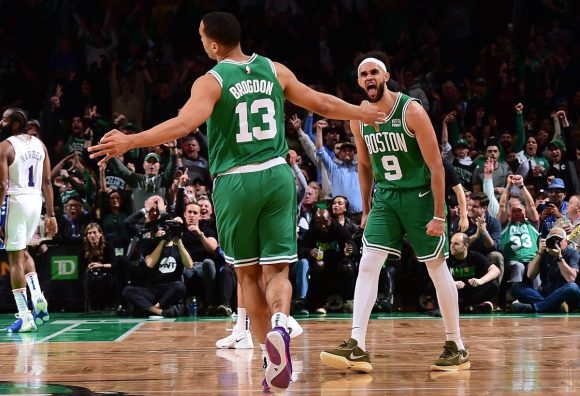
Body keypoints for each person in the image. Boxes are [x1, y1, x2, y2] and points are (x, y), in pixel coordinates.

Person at [87, 11, 385, 393]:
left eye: (201, 38)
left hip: (235, 181)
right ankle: (281, 325)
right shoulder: (273, 69)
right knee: (277, 273)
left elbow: (182, 124)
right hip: (277, 174)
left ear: (213, 44)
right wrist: (360, 111)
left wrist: (130, 140)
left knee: (247, 276)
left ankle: (267, 354)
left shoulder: (210, 81)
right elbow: (321, 103)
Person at [320, 52, 469, 374]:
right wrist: (366, 206)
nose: (369, 78)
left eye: (374, 72)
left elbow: (436, 167)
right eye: (363, 74)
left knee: (435, 267)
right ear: (359, 82)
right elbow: (363, 163)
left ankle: (456, 344)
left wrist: (440, 214)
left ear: (385, 76)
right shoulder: (358, 116)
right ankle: (356, 344)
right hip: (386, 197)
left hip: (418, 197)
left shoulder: (411, 110)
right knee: (369, 261)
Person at [0, 108, 58, 332]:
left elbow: (3, 185)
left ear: (14, 124)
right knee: (24, 253)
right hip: (36, 202)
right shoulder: (39, 145)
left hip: (16, 201)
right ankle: (37, 295)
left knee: (14, 258)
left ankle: (24, 315)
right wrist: (51, 214)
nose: (1, 121)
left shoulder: (5, 146)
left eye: (4, 119)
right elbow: (47, 182)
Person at [511, 227, 579, 313]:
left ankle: (535, 308)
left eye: (558, 240)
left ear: (566, 241)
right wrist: (539, 253)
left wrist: (559, 258)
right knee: (516, 287)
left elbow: (571, 278)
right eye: (552, 240)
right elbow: (530, 275)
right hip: (546, 293)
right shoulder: (544, 253)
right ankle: (556, 306)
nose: (556, 243)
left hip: (564, 294)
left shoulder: (572, 253)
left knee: (573, 287)